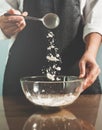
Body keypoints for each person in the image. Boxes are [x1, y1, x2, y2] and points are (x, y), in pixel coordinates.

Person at [0, 0, 102, 95]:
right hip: (23, 74)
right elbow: (3, 9)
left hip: (78, 75)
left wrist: (91, 52)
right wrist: (6, 22)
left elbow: (96, 17)